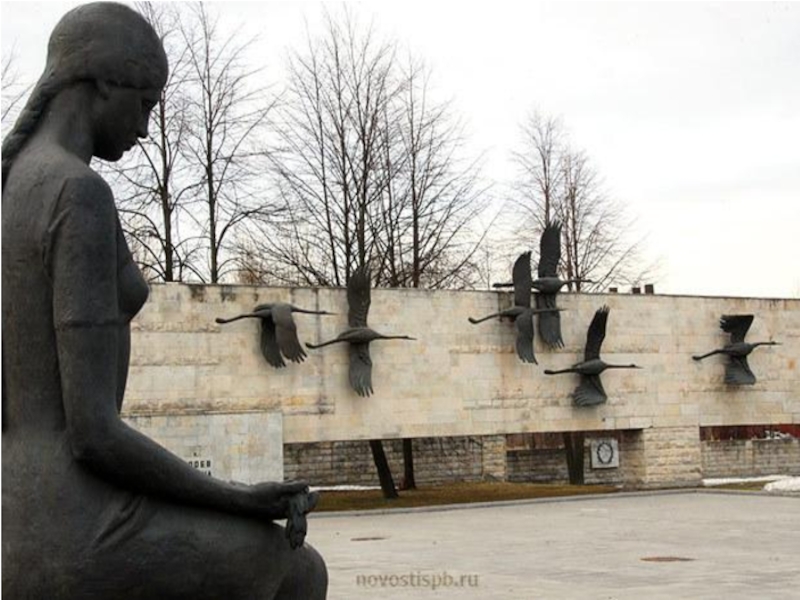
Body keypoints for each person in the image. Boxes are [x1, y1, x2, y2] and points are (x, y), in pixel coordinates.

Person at [1, 3, 327, 598]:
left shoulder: (15, 186)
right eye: (146, 102)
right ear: (102, 82)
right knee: (297, 570)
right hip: (75, 530)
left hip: (19, 517)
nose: (147, 127)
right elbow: (93, 433)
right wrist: (240, 496)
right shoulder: (78, 193)